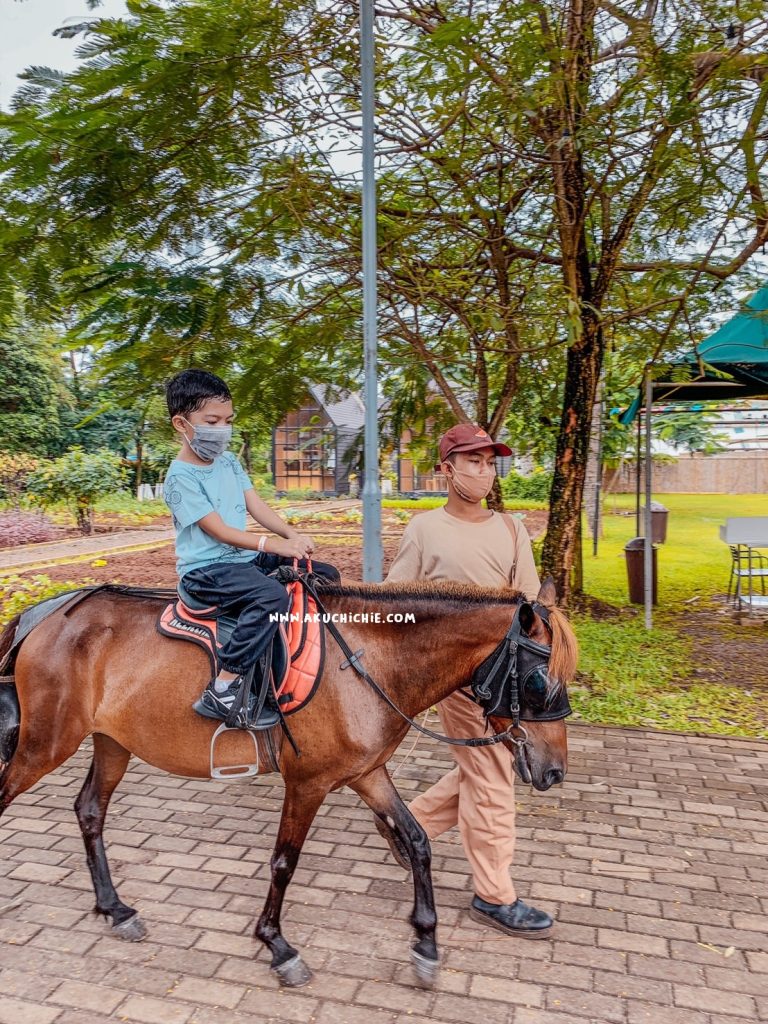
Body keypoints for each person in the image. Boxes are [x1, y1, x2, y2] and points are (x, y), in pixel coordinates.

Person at [382, 423, 553, 937]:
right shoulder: (425, 529)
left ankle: (409, 822)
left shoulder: (511, 529)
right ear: (447, 470)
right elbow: (397, 602)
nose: (484, 471)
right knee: (494, 777)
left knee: (485, 767)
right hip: (456, 680)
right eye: (473, 461)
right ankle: (495, 895)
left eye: (489, 462)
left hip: (508, 676)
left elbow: (529, 602)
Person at [162, 369, 340, 728]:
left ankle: (317, 659)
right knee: (270, 596)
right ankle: (224, 686)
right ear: (181, 424)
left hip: (242, 561)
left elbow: (256, 506)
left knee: (324, 574)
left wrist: (292, 536)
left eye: (228, 421)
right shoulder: (179, 478)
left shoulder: (229, 461)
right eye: (212, 421)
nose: (222, 429)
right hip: (206, 571)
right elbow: (220, 531)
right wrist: (273, 544)